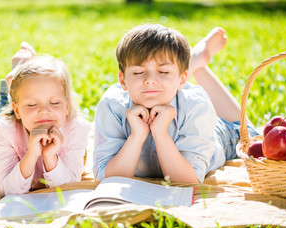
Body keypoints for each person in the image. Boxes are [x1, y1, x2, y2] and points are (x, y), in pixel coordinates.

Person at [93, 24, 260, 183]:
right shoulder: (112, 106)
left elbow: (189, 180)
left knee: (249, 134)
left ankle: (194, 60)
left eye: (163, 71)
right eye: (138, 72)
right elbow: (105, 177)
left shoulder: (195, 105)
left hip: (215, 134)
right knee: (168, 77)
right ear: (122, 80)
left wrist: (161, 133)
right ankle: (192, 61)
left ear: (182, 80)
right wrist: (137, 136)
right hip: (176, 89)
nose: (150, 80)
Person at [0, 45, 91, 196]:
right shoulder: (5, 131)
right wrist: (31, 154)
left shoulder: (77, 130)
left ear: (67, 106)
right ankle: (6, 93)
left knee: (22, 94)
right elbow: (6, 191)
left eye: (54, 103)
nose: (44, 110)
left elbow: (68, 188)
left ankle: (15, 84)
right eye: (32, 104)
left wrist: (49, 156)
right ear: (18, 110)